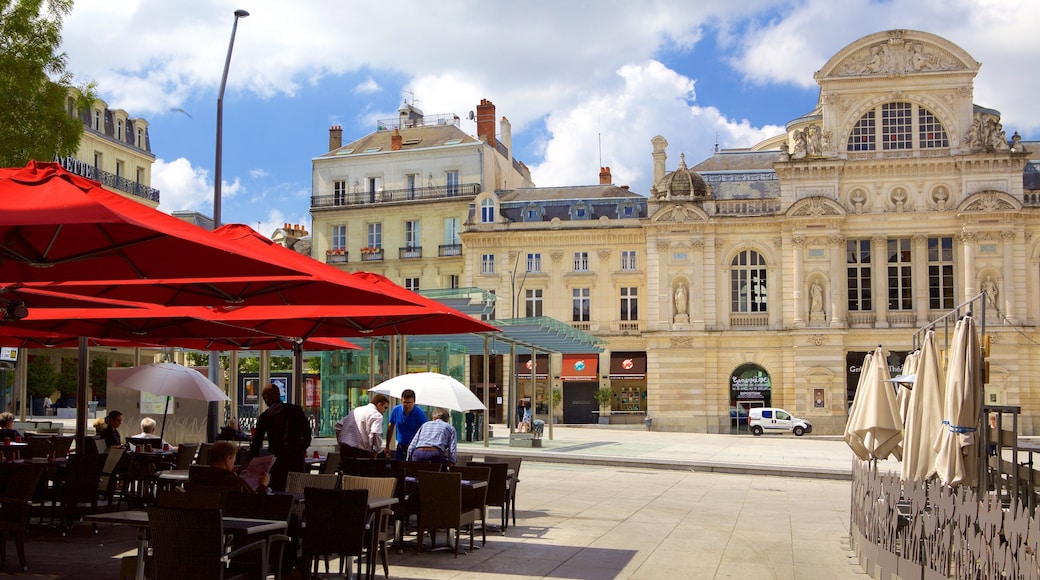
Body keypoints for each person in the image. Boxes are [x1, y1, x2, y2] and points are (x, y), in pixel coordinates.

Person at [249, 384, 312, 491]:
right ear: (279, 394)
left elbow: (257, 441)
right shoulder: (296, 410)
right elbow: (307, 434)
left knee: (278, 490)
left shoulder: (266, 416)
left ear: (266, 398)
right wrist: (301, 450)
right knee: (296, 490)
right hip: (296, 459)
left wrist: (251, 461)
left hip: (278, 461)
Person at [190, 441, 269, 494]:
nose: (233, 465)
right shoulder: (236, 483)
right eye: (233, 462)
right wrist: (263, 486)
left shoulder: (197, 478)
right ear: (228, 460)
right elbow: (256, 504)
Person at [335, 394, 390, 459]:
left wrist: (341, 440)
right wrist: (376, 451)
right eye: (385, 408)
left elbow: (338, 426)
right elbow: (376, 433)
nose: (385, 411)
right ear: (379, 405)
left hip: (345, 449)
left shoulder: (356, 410)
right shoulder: (377, 415)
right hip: (362, 452)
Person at [385, 389, 427, 460]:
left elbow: (424, 432)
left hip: (415, 448)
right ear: (401, 401)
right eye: (405, 402)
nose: (407, 405)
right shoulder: (396, 410)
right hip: (401, 447)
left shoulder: (420, 414)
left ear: (414, 402)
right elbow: (390, 427)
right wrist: (387, 445)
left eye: (410, 403)